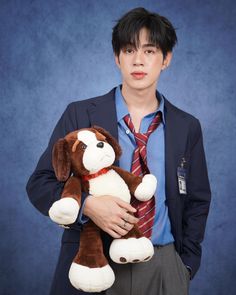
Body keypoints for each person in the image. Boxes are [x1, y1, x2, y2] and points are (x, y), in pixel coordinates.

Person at [26, 7, 211, 295]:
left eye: (150, 51)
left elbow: (198, 200)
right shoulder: (79, 114)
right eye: (128, 50)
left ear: (166, 59)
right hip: (94, 262)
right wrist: (87, 206)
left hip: (163, 264)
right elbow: (40, 184)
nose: (138, 60)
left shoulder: (187, 126)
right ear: (117, 58)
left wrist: (184, 265)